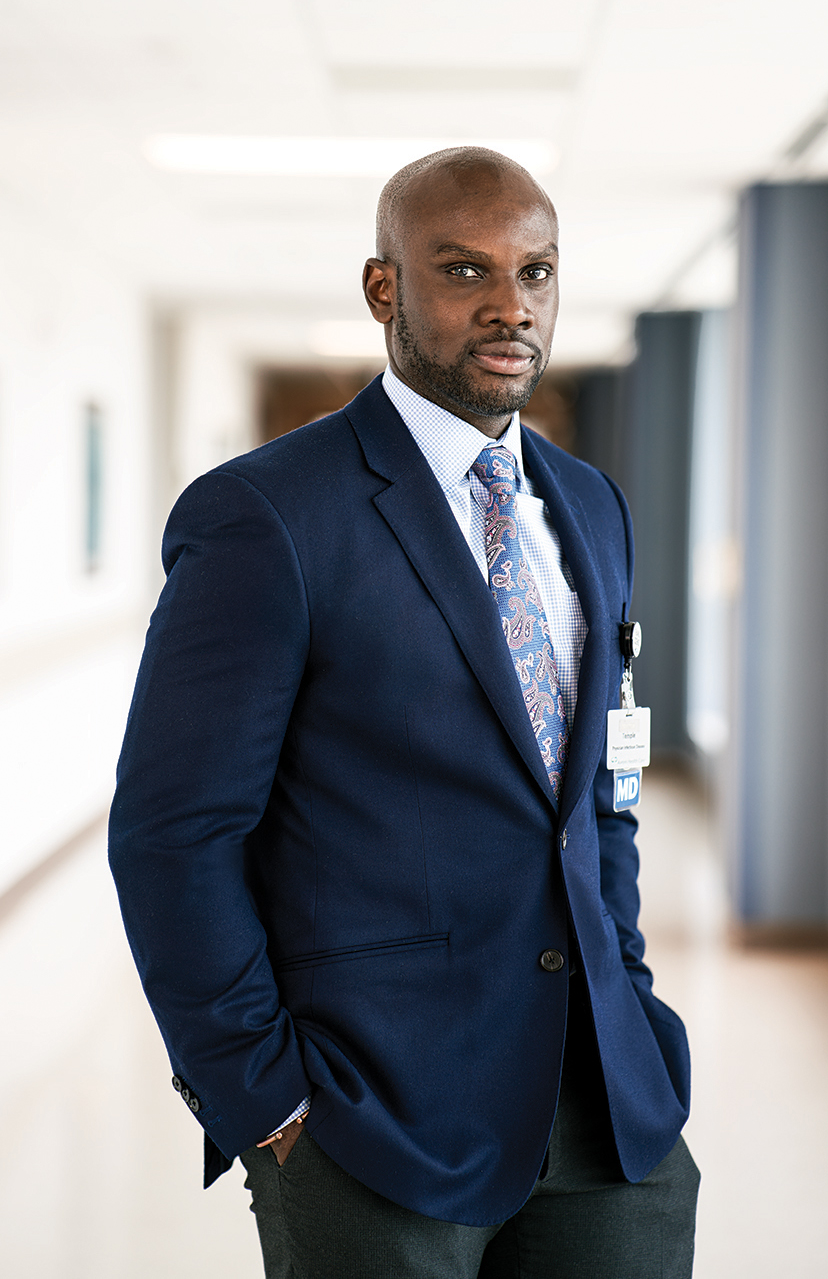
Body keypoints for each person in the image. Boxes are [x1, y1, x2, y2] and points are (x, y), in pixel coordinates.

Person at [108, 147, 699, 1278]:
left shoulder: (590, 503)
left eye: (537, 273)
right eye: (465, 270)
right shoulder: (267, 517)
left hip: (610, 1108)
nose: (509, 305)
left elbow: (597, 794)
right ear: (386, 290)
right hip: (373, 1115)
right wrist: (262, 1099)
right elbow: (172, 834)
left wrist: (634, 991)